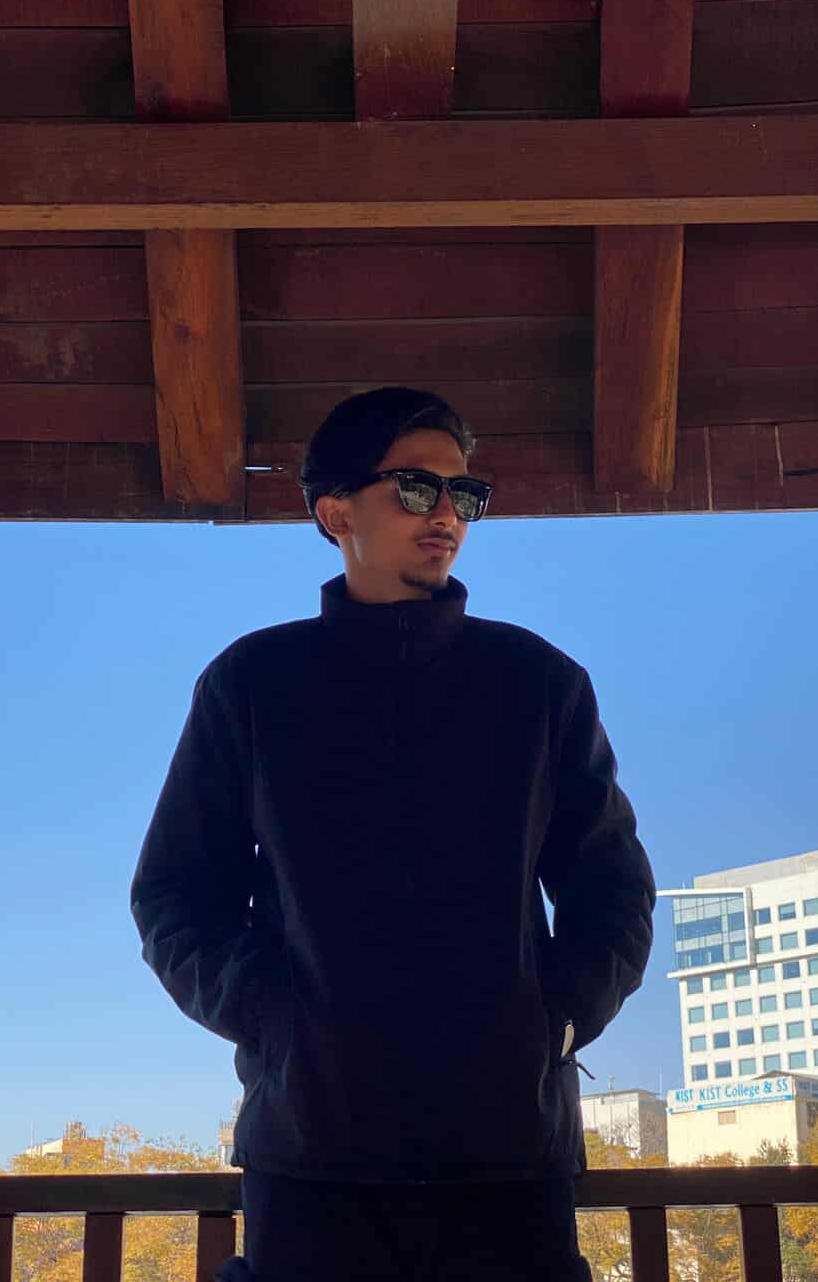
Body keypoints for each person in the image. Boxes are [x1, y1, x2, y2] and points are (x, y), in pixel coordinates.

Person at [130, 387, 656, 1281]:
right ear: (335, 512)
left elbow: (613, 888)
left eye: (465, 493)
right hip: (313, 1153)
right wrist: (275, 1022)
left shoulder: (538, 683)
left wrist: (557, 1021)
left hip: (508, 1151)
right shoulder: (253, 683)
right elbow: (175, 894)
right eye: (416, 488)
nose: (447, 514)